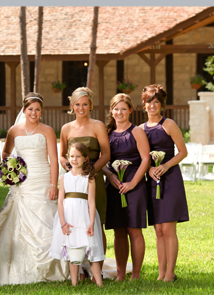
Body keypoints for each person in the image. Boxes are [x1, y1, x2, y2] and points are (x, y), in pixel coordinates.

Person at [0, 92, 68, 284]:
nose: (33, 113)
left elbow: (54, 159)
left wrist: (54, 185)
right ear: (24, 110)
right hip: (22, 181)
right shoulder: (14, 130)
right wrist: (11, 170)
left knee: (45, 219)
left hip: (42, 180)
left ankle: (52, 266)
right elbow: (6, 152)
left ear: (41, 111)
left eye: (37, 109)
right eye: (30, 109)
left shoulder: (48, 130)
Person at [140, 85, 189, 282]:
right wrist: (150, 169)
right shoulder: (140, 130)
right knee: (158, 230)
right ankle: (161, 274)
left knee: (169, 229)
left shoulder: (168, 124)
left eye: (156, 102)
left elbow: (183, 151)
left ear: (161, 105)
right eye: (149, 102)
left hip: (170, 179)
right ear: (143, 105)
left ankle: (170, 273)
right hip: (152, 181)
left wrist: (165, 166)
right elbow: (141, 157)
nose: (152, 106)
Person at [59, 87, 110, 270]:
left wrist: (88, 172)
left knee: (96, 223)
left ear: (90, 105)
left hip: (92, 178)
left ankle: (98, 269)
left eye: (85, 104)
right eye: (77, 104)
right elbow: (62, 156)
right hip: (73, 183)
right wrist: (71, 170)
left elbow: (106, 154)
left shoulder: (98, 126)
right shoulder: (66, 128)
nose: (81, 108)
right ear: (72, 106)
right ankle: (79, 268)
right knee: (75, 221)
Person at [103, 94, 150, 281]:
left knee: (134, 229)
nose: (119, 112)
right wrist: (111, 176)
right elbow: (103, 161)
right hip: (114, 184)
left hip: (134, 184)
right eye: (116, 108)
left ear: (130, 110)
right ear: (111, 111)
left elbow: (146, 159)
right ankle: (121, 274)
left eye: (123, 108)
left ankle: (136, 274)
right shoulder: (106, 133)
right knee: (119, 231)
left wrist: (133, 183)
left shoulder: (136, 131)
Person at [50, 142, 106, 287]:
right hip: (69, 217)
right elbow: (61, 202)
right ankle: (74, 283)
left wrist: (91, 222)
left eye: (78, 156)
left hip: (84, 216)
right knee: (72, 249)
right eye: (71, 156)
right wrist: (63, 222)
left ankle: (99, 283)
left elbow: (92, 202)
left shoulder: (89, 177)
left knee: (91, 247)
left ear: (85, 158)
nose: (74, 159)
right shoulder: (64, 178)